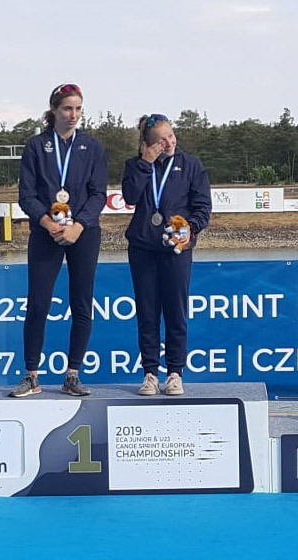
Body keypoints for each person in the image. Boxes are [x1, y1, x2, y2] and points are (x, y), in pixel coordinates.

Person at [8, 83, 108, 398]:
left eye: (78, 109)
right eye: (67, 108)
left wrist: (79, 225)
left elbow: (99, 194)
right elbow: (26, 195)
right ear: (54, 110)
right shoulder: (36, 146)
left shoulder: (92, 147)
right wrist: (48, 222)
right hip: (45, 232)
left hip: (83, 233)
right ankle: (31, 376)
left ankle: (72, 376)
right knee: (38, 302)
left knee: (81, 303)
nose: (73, 115)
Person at [121, 114, 212, 396]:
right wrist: (145, 163)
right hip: (143, 248)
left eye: (171, 136)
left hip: (176, 249)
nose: (169, 143)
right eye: (161, 140)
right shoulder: (135, 165)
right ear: (149, 144)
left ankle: (175, 372)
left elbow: (203, 207)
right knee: (147, 313)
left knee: (176, 312)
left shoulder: (191, 165)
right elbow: (130, 196)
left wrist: (191, 228)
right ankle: (150, 373)